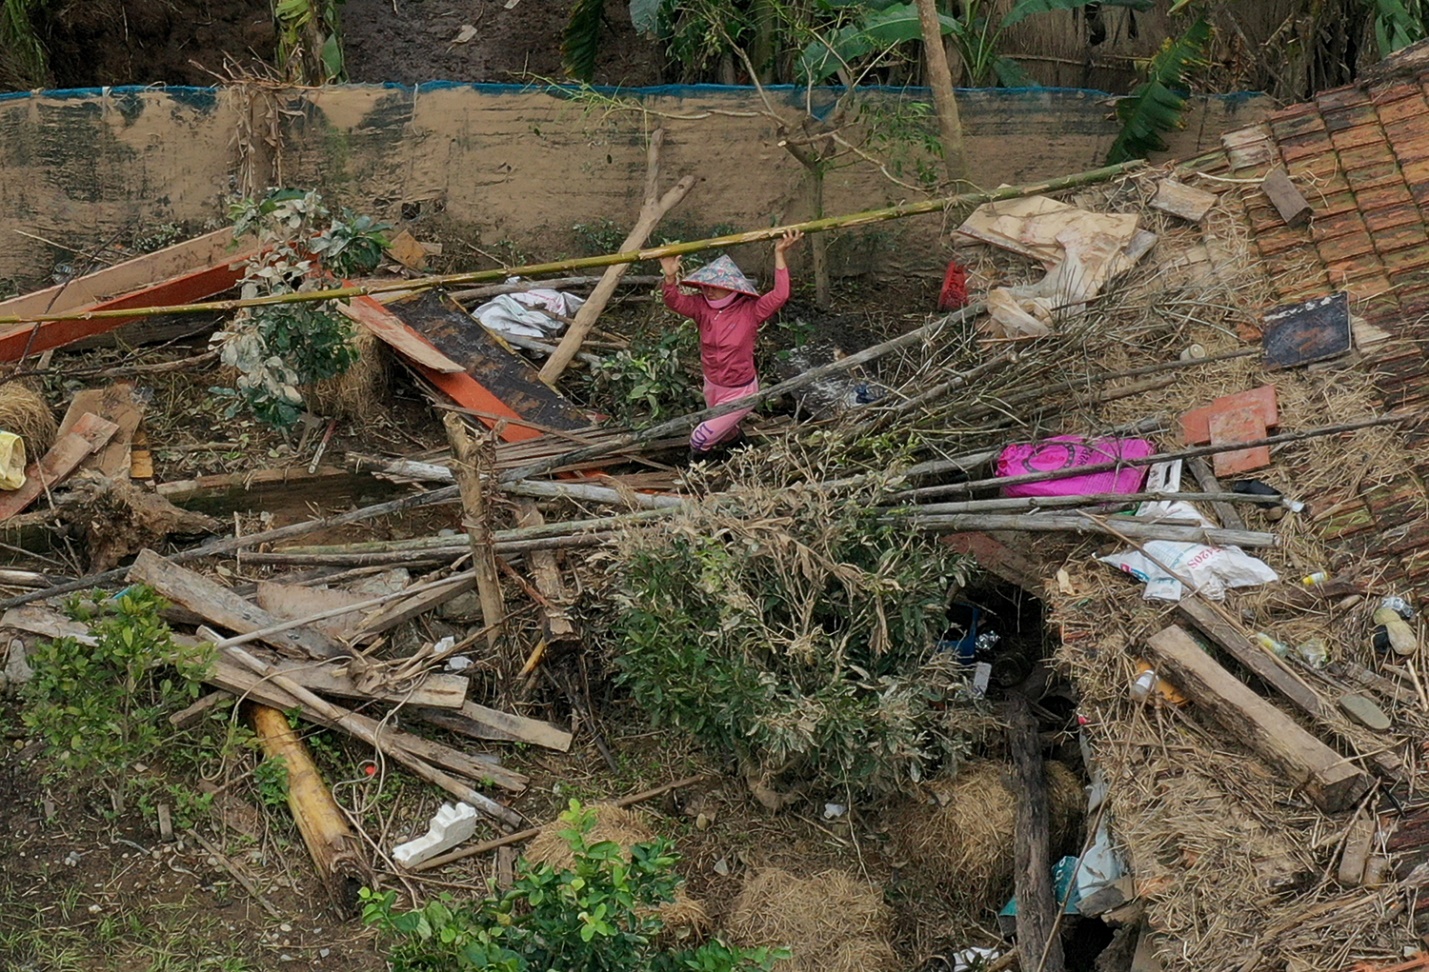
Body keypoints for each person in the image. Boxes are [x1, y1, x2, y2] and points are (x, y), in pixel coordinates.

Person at [660, 229, 804, 459]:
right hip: (712, 385)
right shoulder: (701, 307)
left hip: (741, 389)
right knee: (726, 433)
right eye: (706, 285)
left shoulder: (750, 310)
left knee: (701, 438)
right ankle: (747, 461)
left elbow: (780, 295)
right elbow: (674, 301)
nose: (709, 290)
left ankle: (696, 481)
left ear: (731, 287)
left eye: (715, 286)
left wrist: (779, 253)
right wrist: (669, 278)